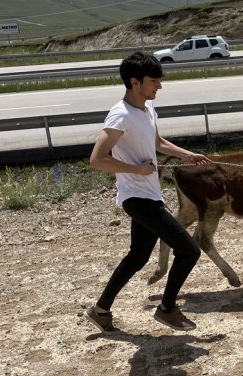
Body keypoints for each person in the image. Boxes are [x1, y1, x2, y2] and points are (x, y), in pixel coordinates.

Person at [84, 51, 210, 332]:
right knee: (189, 251)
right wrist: (136, 171)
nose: (160, 86)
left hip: (149, 195)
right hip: (138, 198)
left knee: (138, 257)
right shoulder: (120, 115)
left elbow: (158, 142)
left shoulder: (146, 109)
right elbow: (97, 159)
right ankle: (167, 308)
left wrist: (188, 156)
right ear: (135, 82)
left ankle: (100, 310)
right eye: (154, 81)